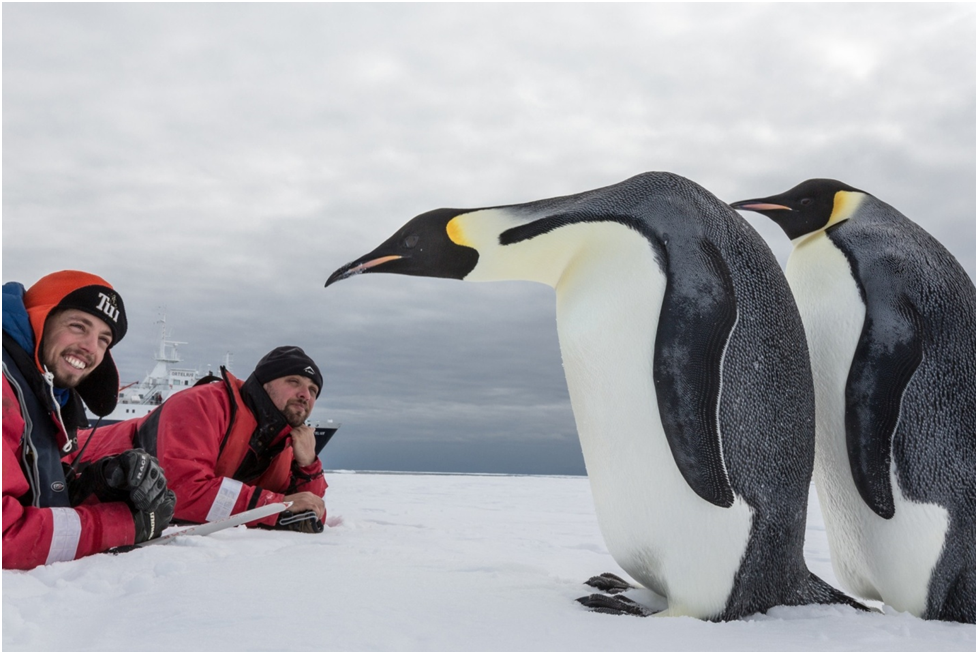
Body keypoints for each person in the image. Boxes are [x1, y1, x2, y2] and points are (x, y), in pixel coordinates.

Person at [2, 271, 176, 570]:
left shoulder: (39, 394)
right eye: (78, 326)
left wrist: (101, 485)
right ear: (38, 318)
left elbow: (32, 496)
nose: (90, 347)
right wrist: (124, 524)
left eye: (103, 340)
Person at [87, 345, 329, 533]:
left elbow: (309, 509)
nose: (304, 394)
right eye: (294, 381)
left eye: (313, 390)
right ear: (263, 384)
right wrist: (276, 506)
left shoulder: (285, 443)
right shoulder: (200, 404)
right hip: (74, 464)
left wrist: (308, 465)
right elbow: (179, 491)